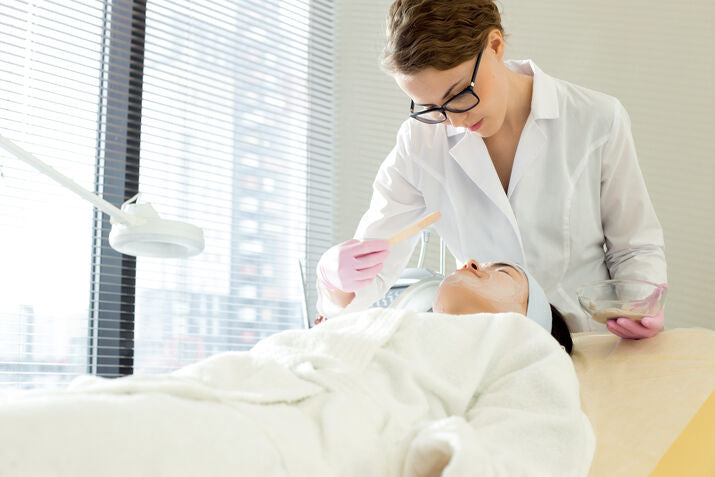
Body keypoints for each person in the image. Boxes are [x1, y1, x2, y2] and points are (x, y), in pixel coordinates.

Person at [0, 261, 594, 476]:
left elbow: (536, 446)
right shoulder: (386, 324)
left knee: (44, 440)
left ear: (529, 312)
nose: (469, 261)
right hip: (219, 391)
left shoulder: (522, 346)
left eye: (500, 271)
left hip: (304, 441)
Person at [316, 0, 667, 339]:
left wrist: (641, 304)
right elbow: (372, 265)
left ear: (495, 45)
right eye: (431, 107)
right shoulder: (421, 141)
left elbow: (633, 248)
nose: (453, 119)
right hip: (484, 351)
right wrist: (335, 280)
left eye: (458, 94)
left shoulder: (596, 119)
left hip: (589, 345)